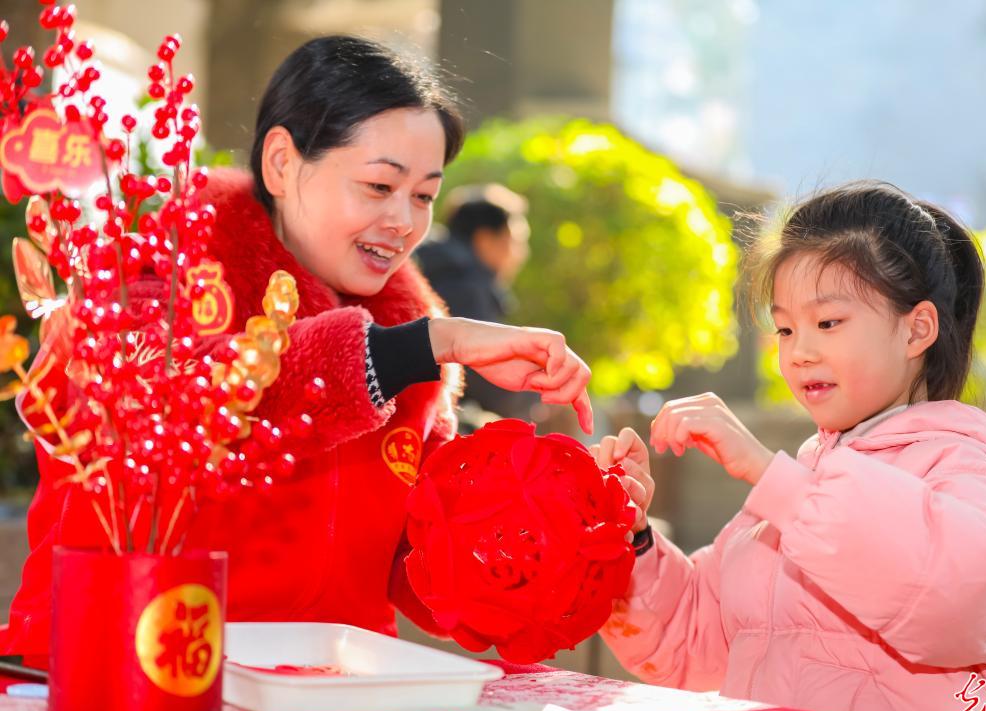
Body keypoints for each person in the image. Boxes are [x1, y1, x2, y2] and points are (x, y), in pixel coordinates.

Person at [2, 35, 593, 655]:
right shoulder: (155, 272)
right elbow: (188, 407)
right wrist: (416, 347)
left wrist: (578, 518)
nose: (403, 222)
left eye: (423, 195)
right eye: (377, 186)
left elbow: (432, 576)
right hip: (119, 681)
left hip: (326, 701)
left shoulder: (409, 340)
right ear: (282, 163)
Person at [592, 182, 986, 711]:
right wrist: (633, 536)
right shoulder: (805, 481)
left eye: (828, 324)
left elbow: (956, 601)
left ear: (917, 329)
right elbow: (690, 641)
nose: (800, 352)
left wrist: (770, 476)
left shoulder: (962, 461)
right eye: (786, 329)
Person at [415, 184, 537, 423]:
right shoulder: (464, 286)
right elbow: (488, 384)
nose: (521, 254)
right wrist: (536, 391)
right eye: (516, 241)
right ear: (484, 240)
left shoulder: (434, 271)